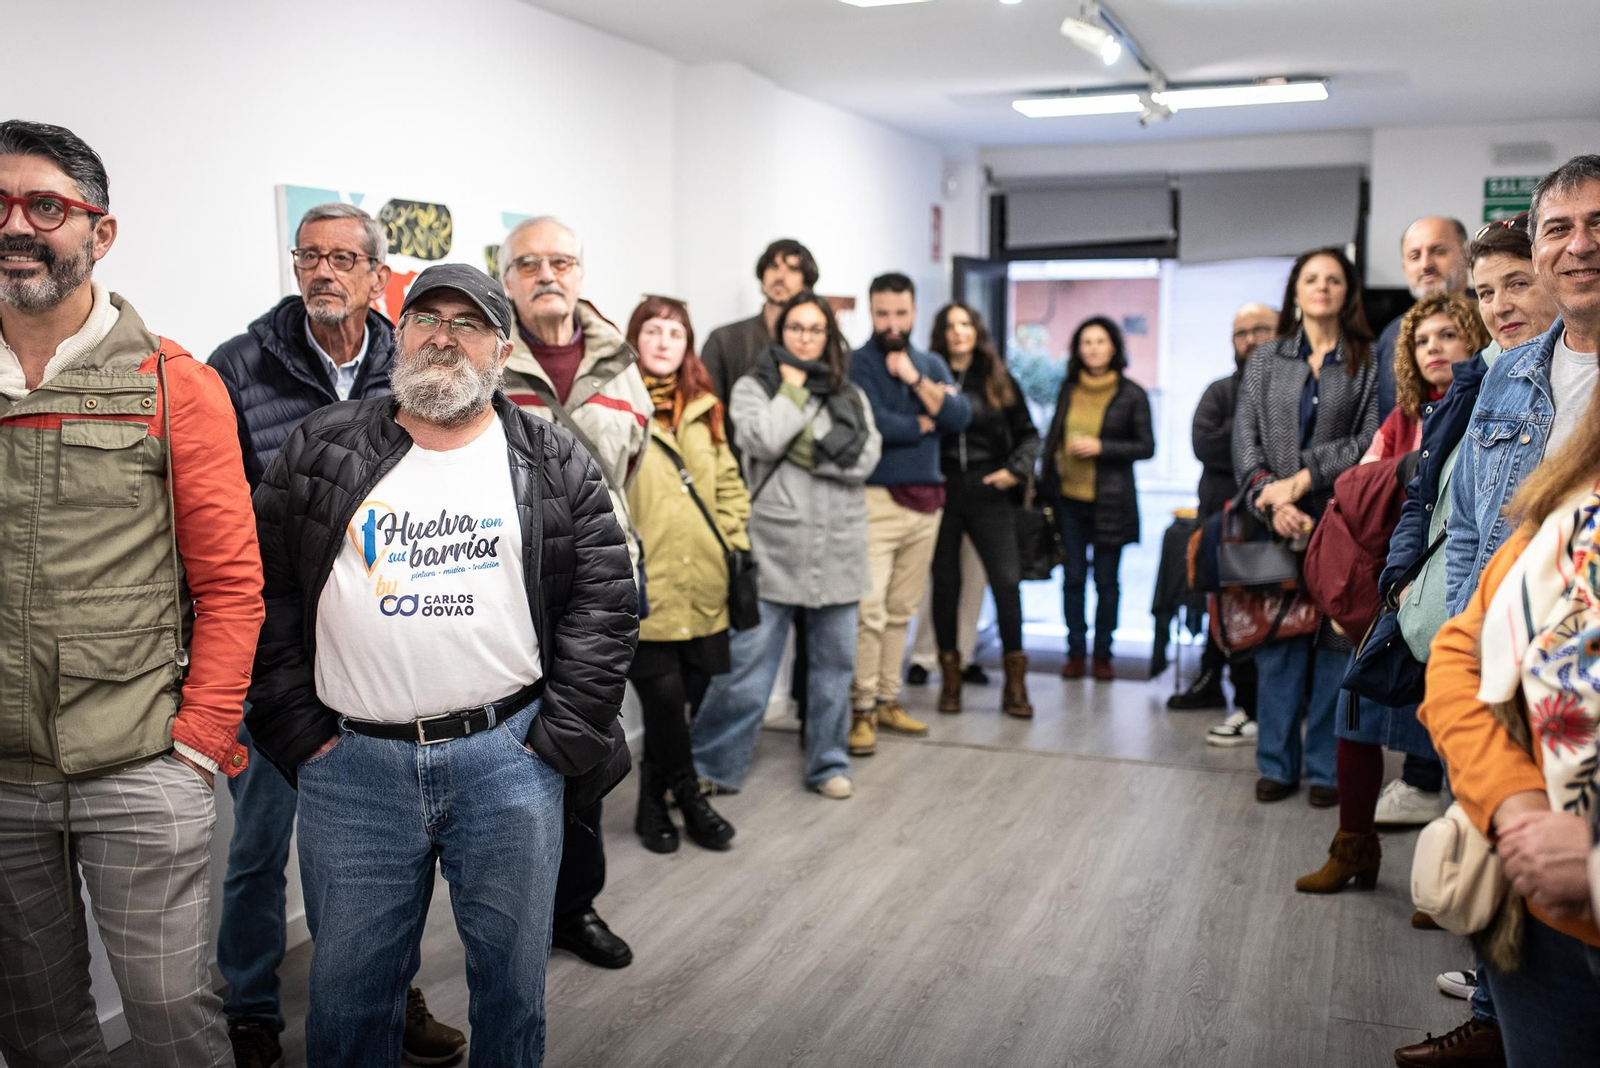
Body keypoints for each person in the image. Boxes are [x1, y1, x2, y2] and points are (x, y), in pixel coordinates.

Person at [246, 263, 636, 1068]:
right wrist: (295, 726)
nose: (444, 337)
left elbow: (606, 599)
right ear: (402, 332)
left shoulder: (549, 458)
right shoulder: (323, 446)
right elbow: (266, 592)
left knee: (511, 989)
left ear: (501, 349)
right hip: (352, 769)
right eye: (427, 317)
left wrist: (556, 740)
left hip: (509, 761)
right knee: (350, 996)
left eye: (468, 323)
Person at [0, 119, 264, 1067]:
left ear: (98, 233)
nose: (16, 226)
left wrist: (196, 746)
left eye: (45, 206)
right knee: (35, 1032)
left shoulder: (173, 383)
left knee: (172, 1019)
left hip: (139, 766)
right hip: (3, 778)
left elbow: (233, 588)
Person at [208, 203, 463, 1067]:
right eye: (309, 256)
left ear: (375, 275)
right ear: (294, 266)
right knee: (258, 842)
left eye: (343, 259)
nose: (324, 272)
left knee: (385, 851)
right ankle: (248, 1005)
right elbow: (214, 514)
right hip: (276, 653)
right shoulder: (239, 366)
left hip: (388, 652)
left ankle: (394, 996)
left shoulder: (416, 362)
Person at [1397, 157, 1600, 1068]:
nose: (1579, 246)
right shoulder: (1507, 379)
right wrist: (1507, 796)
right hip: (1517, 753)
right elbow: (1481, 549)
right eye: (1560, 228)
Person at [1294, 294, 1486, 894]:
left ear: (1473, 342)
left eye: (1448, 336)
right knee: (1355, 719)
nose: (1434, 347)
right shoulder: (1403, 417)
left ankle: (1451, 880)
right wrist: (1405, 469)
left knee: (1458, 735)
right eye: (1423, 340)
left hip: (1454, 591)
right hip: (1387, 586)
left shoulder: (1489, 407)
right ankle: (1354, 849)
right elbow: (1355, 487)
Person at [498, 215, 650, 970]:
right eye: (529, 263)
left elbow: (633, 469)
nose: (547, 274)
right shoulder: (486, 359)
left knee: (587, 751)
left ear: (581, 273)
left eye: (561, 261)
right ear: (507, 280)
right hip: (513, 600)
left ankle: (575, 907)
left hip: (601, 591)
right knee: (519, 759)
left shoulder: (622, 361)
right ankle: (515, 912)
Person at [691, 290, 881, 799]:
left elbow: (864, 460)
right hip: (774, 548)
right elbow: (761, 439)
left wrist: (810, 453)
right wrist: (793, 392)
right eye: (796, 328)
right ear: (782, 333)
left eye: (815, 329)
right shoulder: (757, 387)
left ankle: (828, 764)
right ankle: (712, 763)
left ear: (828, 336)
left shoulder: (850, 394)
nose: (805, 337)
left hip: (839, 548)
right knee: (747, 671)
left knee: (833, 673)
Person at [1233, 247, 1378, 806]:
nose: (1322, 287)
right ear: (1295, 290)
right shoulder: (1266, 358)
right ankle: (1275, 762)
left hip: (1341, 522)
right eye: (1311, 278)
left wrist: (1305, 480)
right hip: (1274, 522)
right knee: (1279, 646)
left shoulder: (1367, 358)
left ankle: (1325, 769)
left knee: (1332, 646)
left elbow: (1371, 439)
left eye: (1334, 279)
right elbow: (1244, 443)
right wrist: (1271, 500)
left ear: (1348, 291)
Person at [623, 295, 748, 852]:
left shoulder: (706, 405)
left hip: (704, 578)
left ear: (688, 343)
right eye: (654, 330)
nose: (665, 341)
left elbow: (728, 484)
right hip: (645, 584)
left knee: (689, 694)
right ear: (636, 338)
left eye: (676, 333)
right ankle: (690, 799)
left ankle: (653, 800)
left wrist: (731, 541)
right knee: (663, 698)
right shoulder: (615, 405)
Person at [846, 272, 971, 754]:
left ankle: (888, 701)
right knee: (870, 611)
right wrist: (927, 417)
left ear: (914, 312)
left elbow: (959, 419)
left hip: (928, 502)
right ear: (872, 312)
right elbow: (872, 423)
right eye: (882, 313)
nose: (891, 322)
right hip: (876, 499)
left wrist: (916, 381)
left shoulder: (930, 361)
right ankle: (861, 710)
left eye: (900, 313)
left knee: (902, 611)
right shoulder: (857, 363)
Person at [928, 301, 1039, 716]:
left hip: (990, 491)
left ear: (977, 331)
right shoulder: (928, 375)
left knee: (1007, 583)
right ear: (941, 334)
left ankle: (1015, 686)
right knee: (945, 586)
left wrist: (1014, 472)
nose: (958, 332)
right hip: (943, 492)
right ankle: (950, 683)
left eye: (966, 324)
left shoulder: (997, 379)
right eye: (950, 325)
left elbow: (1029, 435)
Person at [1171, 303, 1273, 745]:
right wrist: (1254, 432)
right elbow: (1204, 444)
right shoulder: (1219, 392)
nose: (1249, 340)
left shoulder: (1297, 388)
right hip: (1225, 524)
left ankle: (1275, 707)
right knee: (1231, 617)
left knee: (1279, 617)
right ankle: (1244, 705)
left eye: (1260, 330)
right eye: (1240, 333)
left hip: (1278, 521)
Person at [1040, 316, 1155, 680]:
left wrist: (1103, 447)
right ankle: (1075, 651)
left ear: (1114, 348)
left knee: (1107, 581)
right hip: (1068, 500)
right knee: (1073, 577)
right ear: (1077, 350)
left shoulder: (1131, 393)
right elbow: (1055, 436)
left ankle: (1103, 653)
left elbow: (1147, 446)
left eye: (1100, 341)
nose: (1092, 349)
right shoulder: (1068, 388)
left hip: (1111, 501)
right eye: (1086, 342)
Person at [700, 238, 819, 431]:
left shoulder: (821, 343)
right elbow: (707, 414)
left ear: (806, 281)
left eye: (792, 269)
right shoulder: (724, 340)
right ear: (762, 276)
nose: (780, 276)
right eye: (773, 267)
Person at [1373, 216, 1473, 420]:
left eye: (1438, 251)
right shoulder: (1393, 334)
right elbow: (1388, 415)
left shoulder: (1494, 320)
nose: (1426, 264)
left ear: (1467, 256)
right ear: (1404, 269)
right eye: (1414, 256)